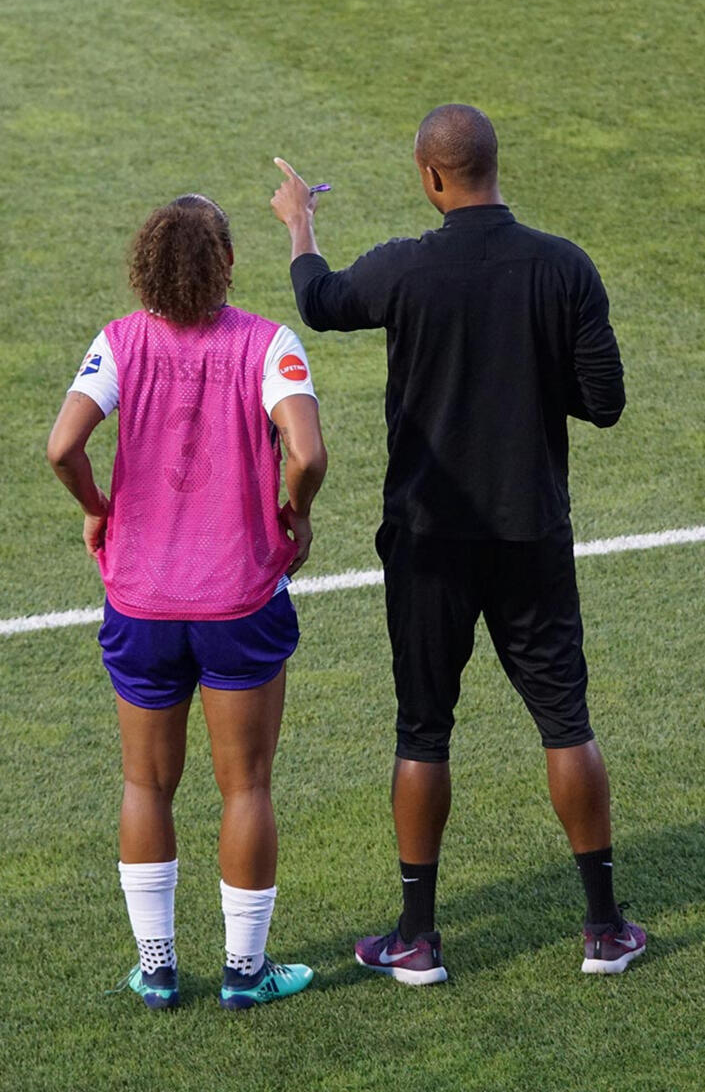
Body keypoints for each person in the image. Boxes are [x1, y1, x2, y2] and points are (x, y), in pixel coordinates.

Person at [269, 105, 646, 983]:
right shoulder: (564, 267)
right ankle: (601, 929)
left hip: (427, 539)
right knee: (566, 722)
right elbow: (605, 401)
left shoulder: (407, 266)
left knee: (421, 729)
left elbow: (320, 303)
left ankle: (417, 940)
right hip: (530, 535)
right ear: (491, 166)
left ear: (430, 177)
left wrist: (300, 223)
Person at [47, 193, 327, 1009]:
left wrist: (97, 506)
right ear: (227, 265)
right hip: (240, 600)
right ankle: (245, 975)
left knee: (145, 784)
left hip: (140, 605)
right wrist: (294, 510)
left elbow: (61, 446)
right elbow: (306, 451)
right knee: (246, 788)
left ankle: (158, 969)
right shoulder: (268, 343)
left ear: (145, 266)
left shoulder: (119, 343)